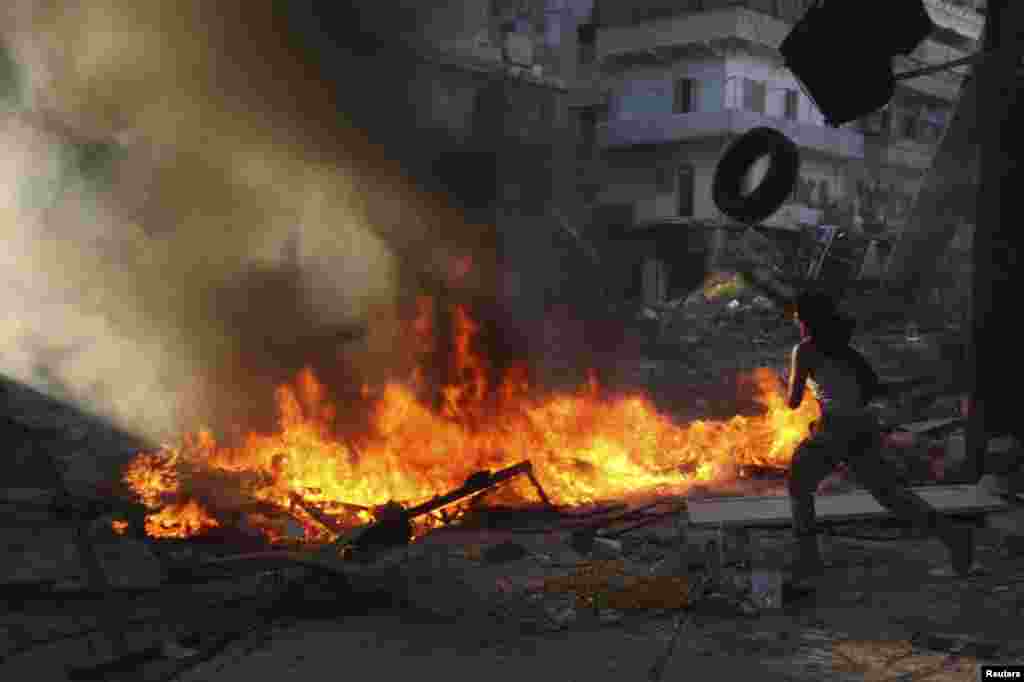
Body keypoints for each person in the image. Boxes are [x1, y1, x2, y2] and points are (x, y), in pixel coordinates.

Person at [785, 291, 972, 583]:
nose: (796, 323)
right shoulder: (848, 351)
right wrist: (918, 383)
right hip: (863, 427)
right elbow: (874, 390)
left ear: (807, 320)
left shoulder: (805, 350)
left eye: (798, 318)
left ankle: (808, 562)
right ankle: (954, 537)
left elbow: (793, 401)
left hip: (836, 429)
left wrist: (795, 380)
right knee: (891, 496)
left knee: (798, 483)